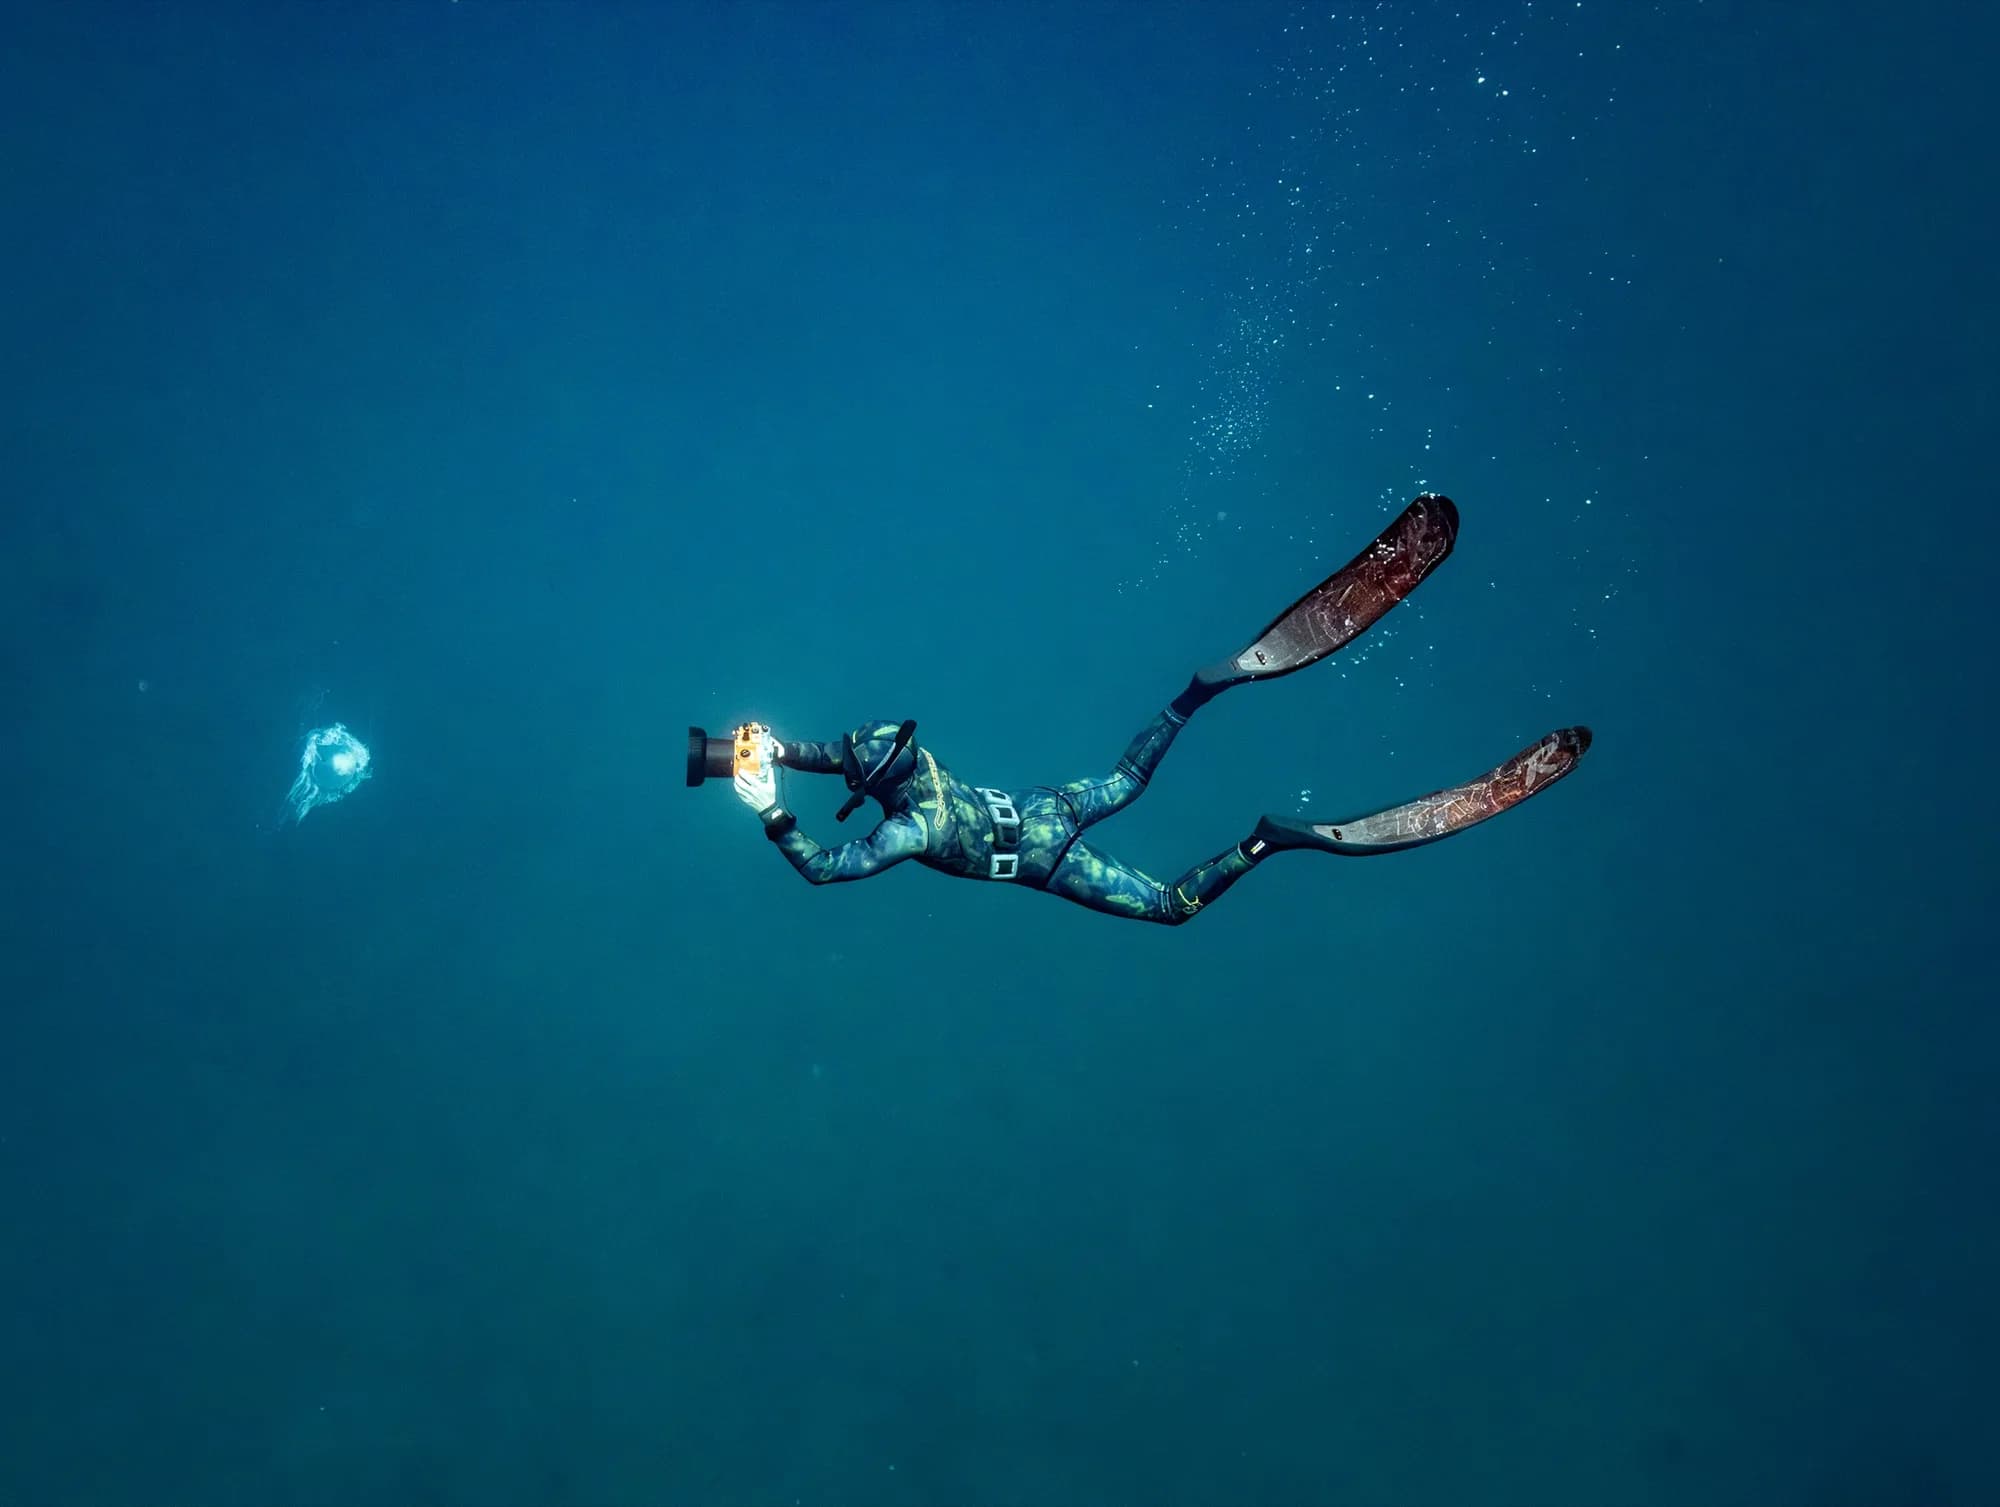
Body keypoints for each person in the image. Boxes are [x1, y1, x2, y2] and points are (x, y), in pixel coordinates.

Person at [730, 496, 1590, 926]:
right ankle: (1196, 692)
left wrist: (770, 807)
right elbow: (840, 752)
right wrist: (774, 749)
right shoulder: (917, 764)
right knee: (1130, 775)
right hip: (1045, 807)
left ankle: (1265, 840)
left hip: (1043, 860)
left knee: (1173, 907)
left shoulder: (905, 830)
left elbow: (825, 868)